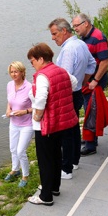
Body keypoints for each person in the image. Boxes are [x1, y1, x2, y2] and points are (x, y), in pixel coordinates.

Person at [27, 43, 79, 206]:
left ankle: (46, 196)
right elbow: (74, 83)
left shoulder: (42, 76)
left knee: (45, 160)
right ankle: (54, 187)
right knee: (56, 155)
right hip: (60, 123)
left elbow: (41, 98)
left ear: (41, 59)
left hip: (45, 125)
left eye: (33, 61)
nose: (32, 65)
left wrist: (37, 115)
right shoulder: (60, 71)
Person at [48, 18, 96, 178]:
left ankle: (66, 168)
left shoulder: (68, 49)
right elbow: (92, 64)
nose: (53, 38)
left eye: (55, 34)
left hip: (67, 95)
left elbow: (64, 76)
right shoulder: (81, 44)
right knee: (74, 127)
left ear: (64, 31)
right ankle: (75, 161)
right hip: (77, 92)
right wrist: (83, 81)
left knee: (66, 132)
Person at [71, 13, 108, 156]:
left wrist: (95, 81)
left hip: (95, 81)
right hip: (88, 80)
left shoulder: (98, 37)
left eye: (76, 25)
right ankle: (91, 138)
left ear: (85, 23)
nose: (75, 29)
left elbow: (105, 61)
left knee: (90, 110)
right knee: (89, 108)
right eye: (73, 26)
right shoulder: (85, 37)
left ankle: (90, 145)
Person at [4, 61, 33, 187]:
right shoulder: (10, 85)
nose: (13, 74)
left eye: (16, 71)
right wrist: (8, 110)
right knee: (13, 148)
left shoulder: (29, 87)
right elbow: (10, 101)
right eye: (11, 72)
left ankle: (25, 176)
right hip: (13, 122)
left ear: (22, 72)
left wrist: (25, 111)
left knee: (21, 150)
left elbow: (37, 106)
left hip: (27, 123)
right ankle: (15, 169)